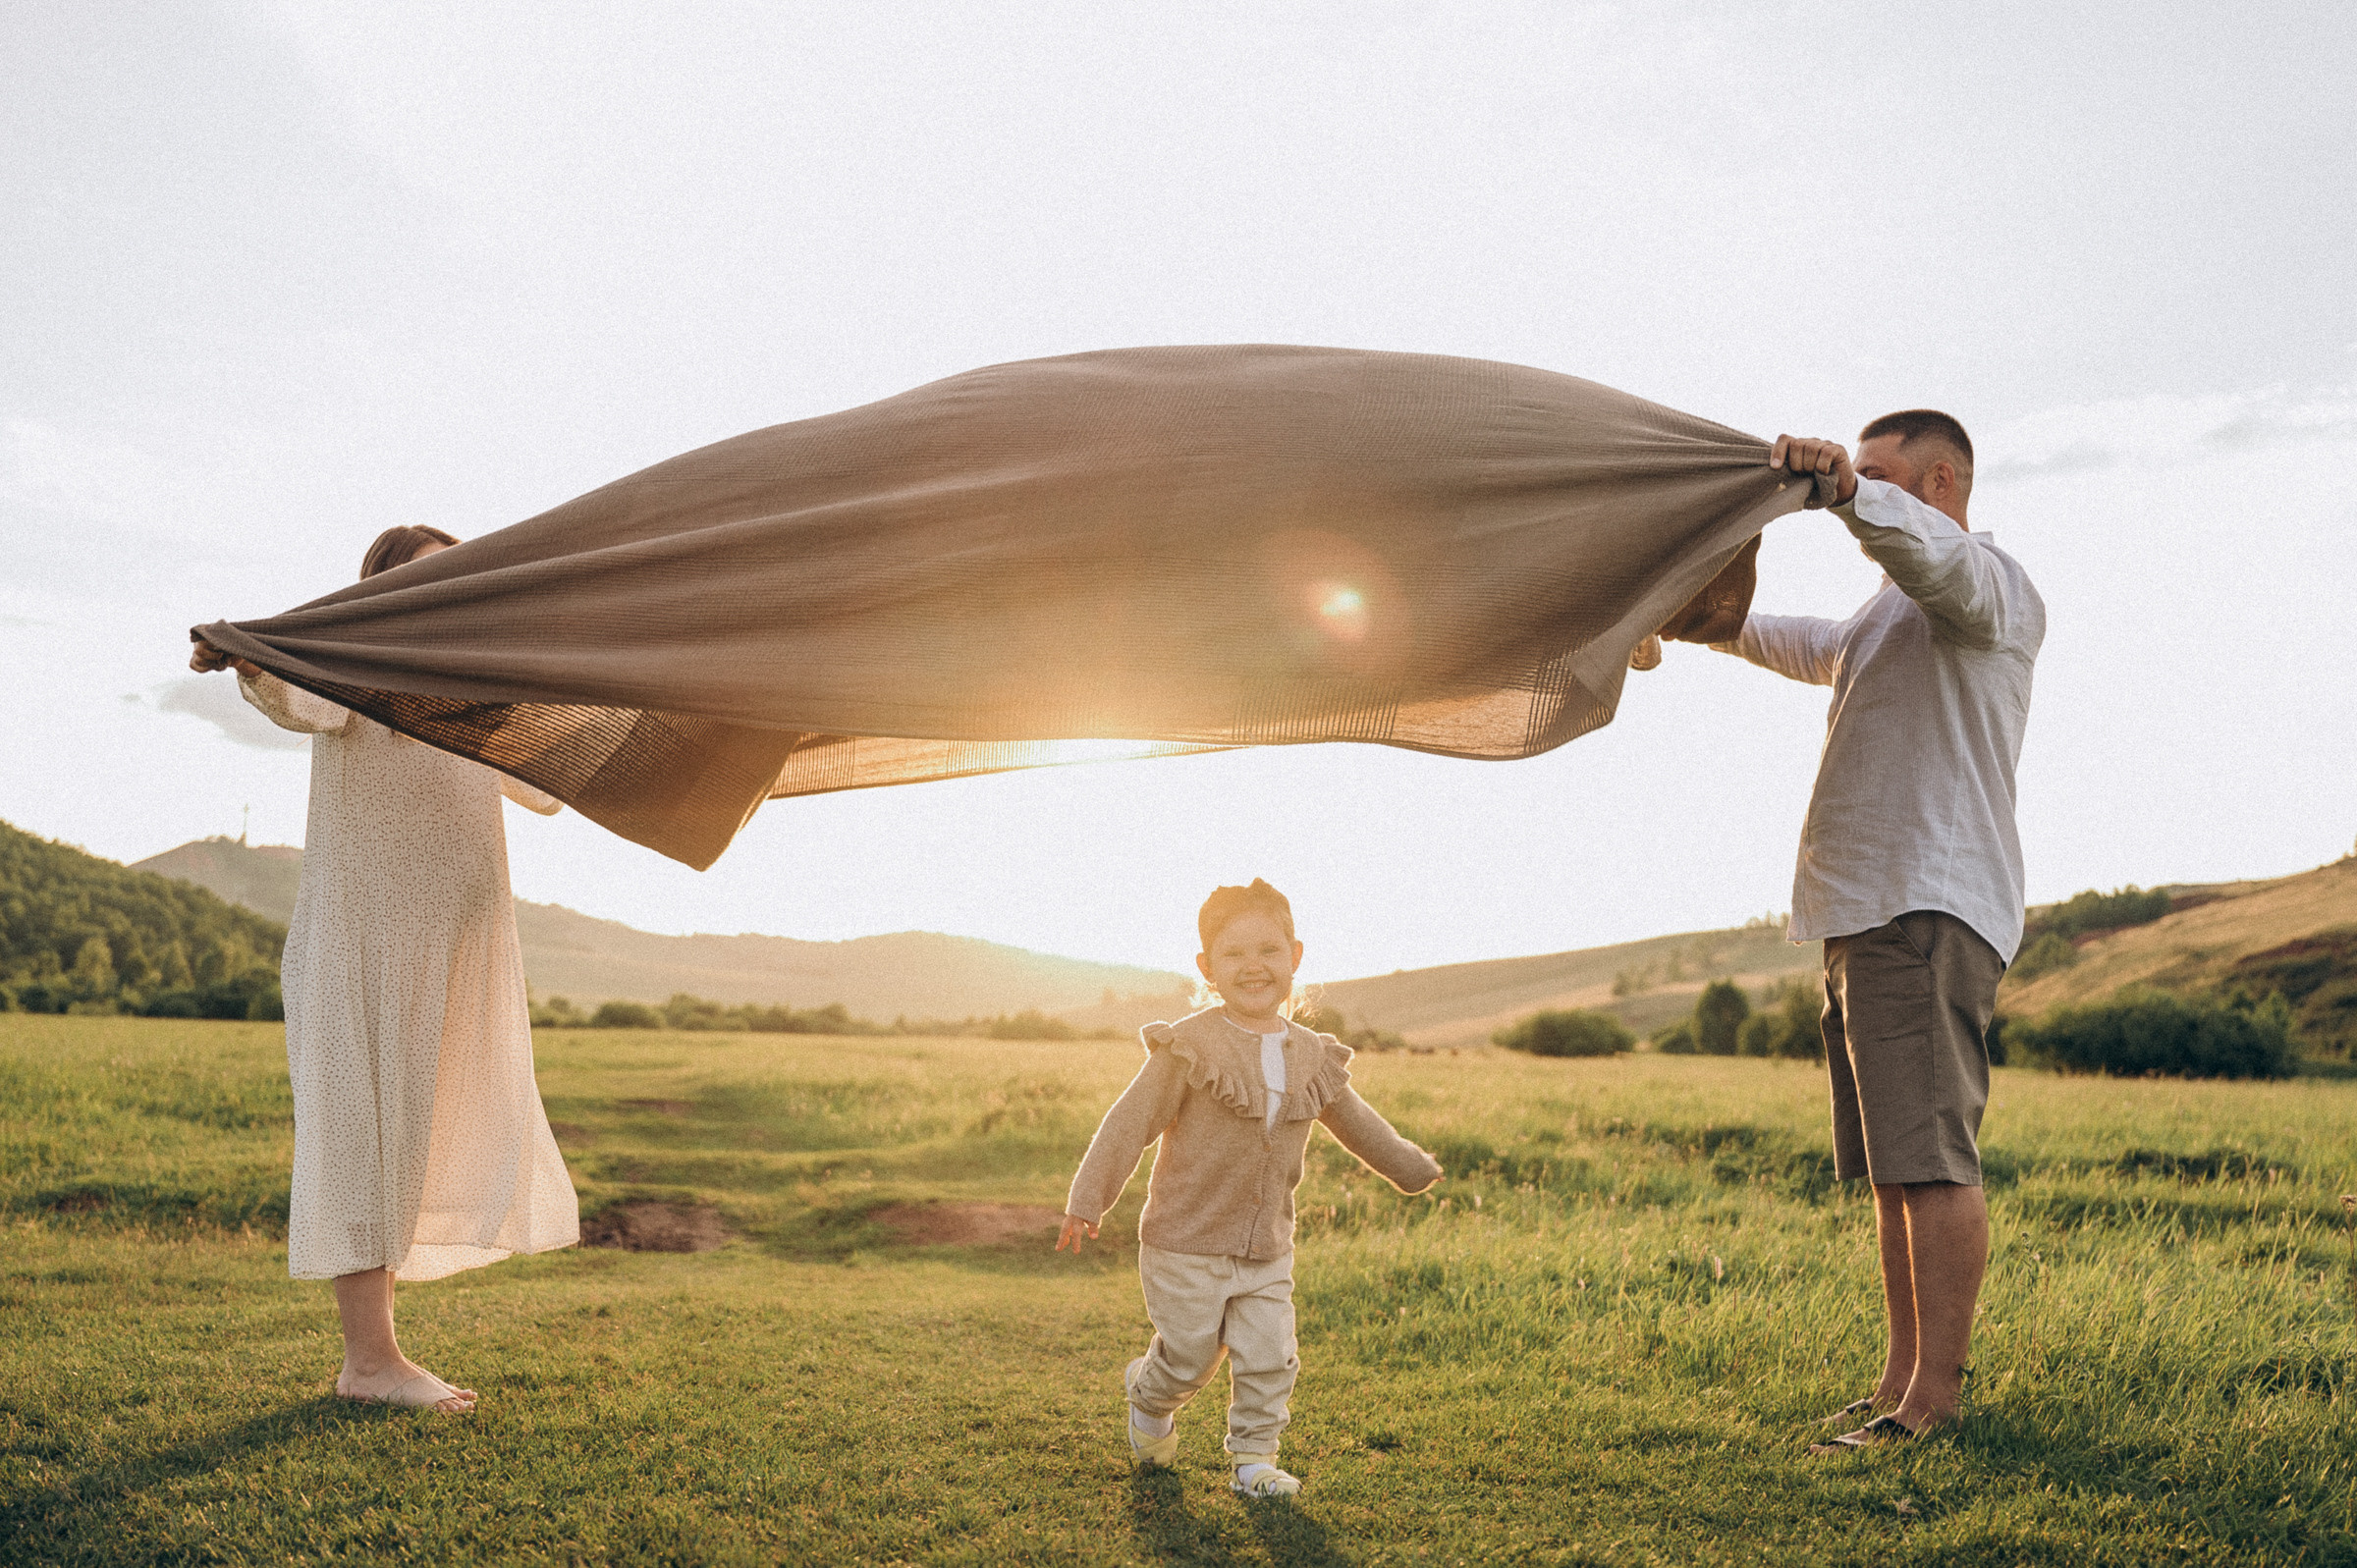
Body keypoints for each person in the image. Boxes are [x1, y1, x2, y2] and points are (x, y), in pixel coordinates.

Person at [190, 524, 579, 1414]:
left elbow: (551, 782)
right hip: (364, 942)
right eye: (421, 582)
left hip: (456, 948)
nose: (442, 596)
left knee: (416, 1138)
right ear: (379, 599)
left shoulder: (480, 691)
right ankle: (368, 1362)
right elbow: (288, 694)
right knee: (364, 1136)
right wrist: (245, 654)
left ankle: (380, 1356)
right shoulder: (351, 677)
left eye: (455, 579)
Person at [1718, 413, 2045, 1452]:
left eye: (1889, 474)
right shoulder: (1881, 617)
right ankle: (1898, 1385)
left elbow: (1928, 555)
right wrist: (1692, 617)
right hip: (1863, 914)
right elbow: (1788, 638)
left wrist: (1853, 495)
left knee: (1933, 1160)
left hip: (1924, 905)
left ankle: (1930, 1408)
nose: (1860, 487)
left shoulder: (1989, 587)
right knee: (1895, 1167)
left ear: (1943, 480)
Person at [1056, 880, 1442, 1496]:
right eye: (1233, 954)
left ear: (1295, 956)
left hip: (1267, 1246)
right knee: (1188, 1358)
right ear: (1208, 968)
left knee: (1270, 1356)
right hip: (1184, 1243)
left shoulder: (1313, 1053)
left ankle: (1254, 1462)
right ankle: (1149, 1395)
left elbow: (1358, 1124)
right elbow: (1129, 1124)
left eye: (1268, 949)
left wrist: (1411, 1167)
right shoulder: (1188, 1047)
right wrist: (1088, 1200)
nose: (1253, 966)